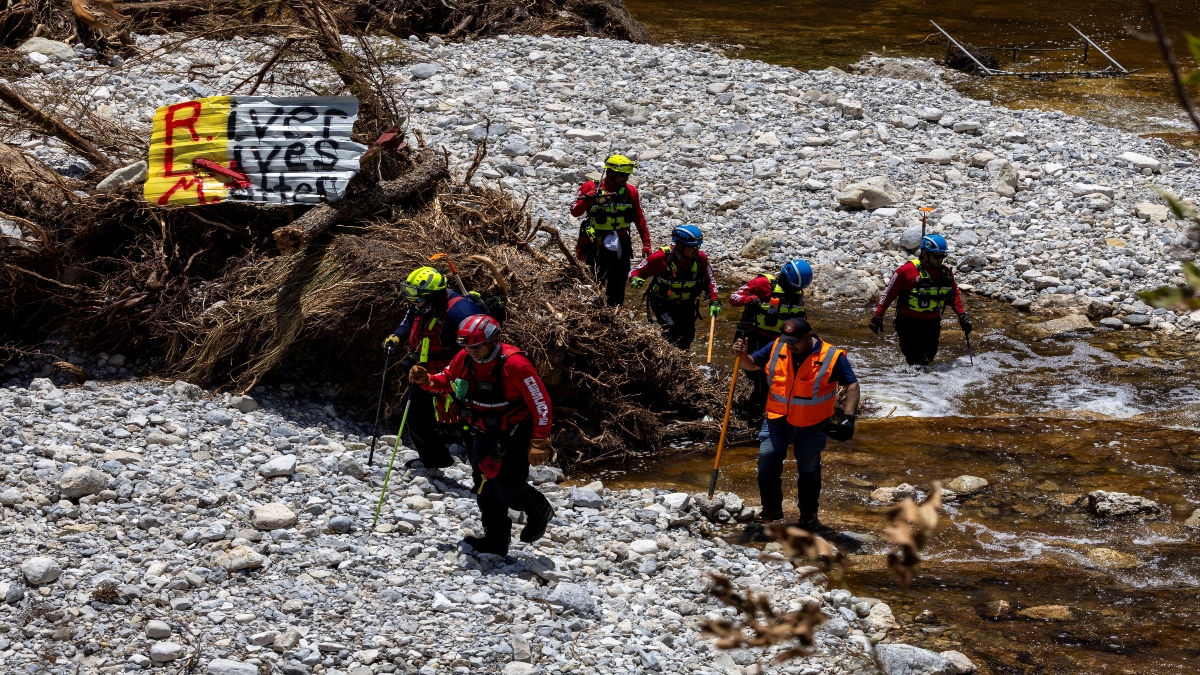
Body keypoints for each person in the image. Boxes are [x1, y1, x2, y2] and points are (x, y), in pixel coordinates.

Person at [408, 315, 555, 556]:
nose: (472, 351)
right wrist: (427, 380)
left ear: (494, 340)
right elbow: (446, 381)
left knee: (508, 486)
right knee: (483, 486)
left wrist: (539, 441)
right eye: (467, 346)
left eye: (478, 346)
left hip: (515, 431)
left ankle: (539, 510)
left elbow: (541, 403)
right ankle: (496, 541)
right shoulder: (465, 358)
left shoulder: (516, 364)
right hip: (483, 431)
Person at [733, 317, 860, 530]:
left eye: (795, 340)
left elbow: (852, 385)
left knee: (809, 470)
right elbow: (752, 364)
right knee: (767, 461)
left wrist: (848, 417)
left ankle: (809, 516)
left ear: (809, 336)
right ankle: (771, 509)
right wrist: (742, 355)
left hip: (812, 425)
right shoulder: (777, 346)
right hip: (776, 419)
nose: (790, 344)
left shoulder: (831, 356)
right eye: (787, 339)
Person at [383, 266, 484, 469]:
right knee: (413, 410)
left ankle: (483, 475)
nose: (413, 300)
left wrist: (452, 386)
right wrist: (397, 335)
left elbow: (474, 351)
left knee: (469, 422)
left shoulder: (462, 312)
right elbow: (409, 320)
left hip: (459, 376)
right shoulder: (422, 304)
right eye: (410, 294)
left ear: (435, 294)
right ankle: (435, 458)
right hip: (426, 371)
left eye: (417, 296)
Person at [728, 259, 813, 418]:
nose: (793, 290)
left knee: (768, 374)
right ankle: (757, 404)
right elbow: (733, 297)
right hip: (753, 336)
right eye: (791, 286)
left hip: (779, 341)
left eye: (798, 288)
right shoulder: (762, 283)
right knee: (755, 372)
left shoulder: (797, 292)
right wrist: (749, 300)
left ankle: (762, 405)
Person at [870, 234, 972, 366]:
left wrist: (962, 316)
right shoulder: (906, 271)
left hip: (933, 324)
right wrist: (878, 316)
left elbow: (954, 296)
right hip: (909, 324)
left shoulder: (946, 273)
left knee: (929, 358)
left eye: (942, 256)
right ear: (924, 253)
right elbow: (888, 294)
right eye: (936, 256)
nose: (940, 260)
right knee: (918, 363)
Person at [571, 154, 652, 307]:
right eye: (623, 175)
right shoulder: (589, 187)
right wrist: (587, 198)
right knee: (594, 280)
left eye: (628, 175)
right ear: (610, 173)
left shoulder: (631, 192)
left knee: (619, 282)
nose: (626, 178)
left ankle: (614, 315)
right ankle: (590, 313)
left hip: (621, 243)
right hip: (596, 243)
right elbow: (574, 211)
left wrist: (646, 244)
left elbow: (640, 219)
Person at [629, 224, 720, 350]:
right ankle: (666, 359)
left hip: (686, 303)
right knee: (671, 330)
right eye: (693, 247)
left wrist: (714, 300)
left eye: (697, 247)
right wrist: (635, 279)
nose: (696, 250)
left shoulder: (701, 259)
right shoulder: (661, 257)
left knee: (687, 335)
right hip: (662, 302)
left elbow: (710, 280)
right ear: (680, 245)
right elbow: (636, 271)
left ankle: (683, 365)